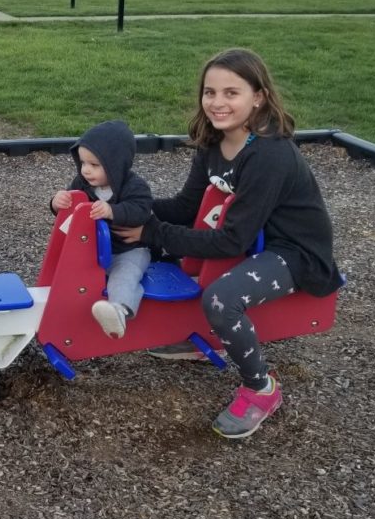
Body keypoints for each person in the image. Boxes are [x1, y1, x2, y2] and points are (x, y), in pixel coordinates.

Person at [116, 48, 343, 439]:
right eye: (210, 92)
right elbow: (186, 207)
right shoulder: (214, 143)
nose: (217, 103)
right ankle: (207, 341)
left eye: (231, 93)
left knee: (221, 298)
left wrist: (151, 231)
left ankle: (261, 389)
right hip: (252, 239)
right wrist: (126, 210)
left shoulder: (270, 154)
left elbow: (231, 241)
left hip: (295, 251)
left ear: (259, 97)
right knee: (168, 254)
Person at [50, 120, 152, 338]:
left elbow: (141, 211)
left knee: (125, 276)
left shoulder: (134, 186)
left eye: (94, 165)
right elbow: (70, 213)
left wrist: (113, 211)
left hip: (129, 250)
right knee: (69, 268)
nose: (86, 170)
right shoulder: (82, 183)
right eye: (83, 162)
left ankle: (118, 311)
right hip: (93, 250)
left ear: (115, 164)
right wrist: (57, 203)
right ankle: (61, 308)